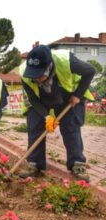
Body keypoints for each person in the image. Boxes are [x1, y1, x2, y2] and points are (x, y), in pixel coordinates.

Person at [18, 45, 95, 182]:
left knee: (70, 127)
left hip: (68, 95)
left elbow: (90, 71)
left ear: (49, 66)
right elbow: (33, 99)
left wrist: (77, 95)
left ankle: (77, 164)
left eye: (39, 74)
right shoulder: (24, 72)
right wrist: (47, 117)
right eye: (33, 75)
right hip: (41, 98)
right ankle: (35, 164)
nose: (35, 78)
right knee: (35, 126)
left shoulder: (66, 61)